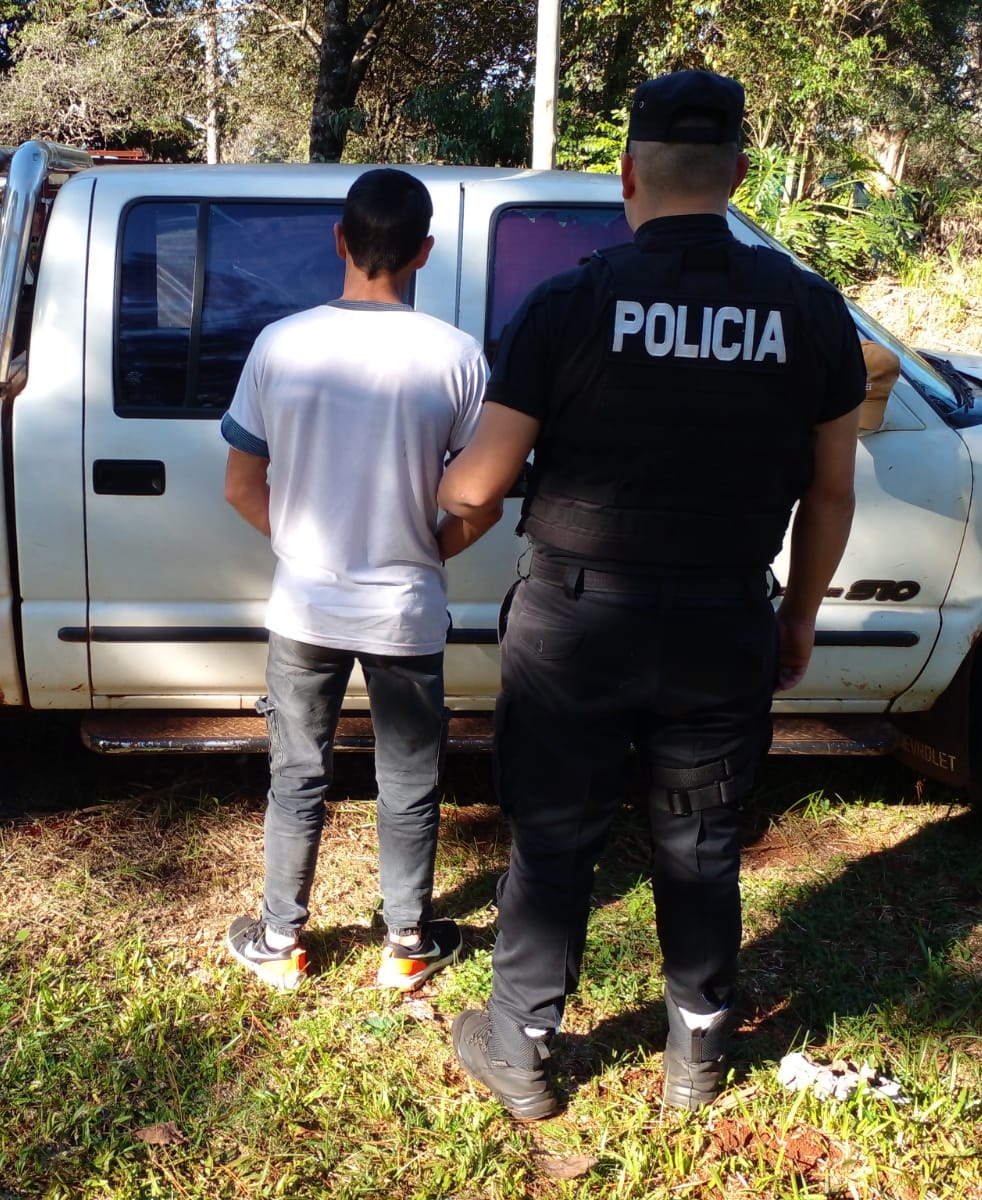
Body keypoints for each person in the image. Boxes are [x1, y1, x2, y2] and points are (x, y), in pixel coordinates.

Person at [436, 70, 865, 1114]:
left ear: (625, 172)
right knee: (701, 839)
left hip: (578, 619)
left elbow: (478, 484)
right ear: (741, 175)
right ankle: (698, 1056)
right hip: (723, 617)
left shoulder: (569, 302)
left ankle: (525, 1051)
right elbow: (831, 491)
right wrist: (796, 617)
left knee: (554, 836)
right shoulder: (808, 310)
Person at [221, 168, 491, 991]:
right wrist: (415, 549)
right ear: (426, 251)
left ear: (339, 241)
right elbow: (478, 502)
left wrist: (306, 543)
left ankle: (280, 942)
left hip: (304, 604)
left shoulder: (280, 343)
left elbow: (240, 486)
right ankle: (406, 944)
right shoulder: (456, 356)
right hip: (405, 611)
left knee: (297, 774)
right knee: (408, 779)